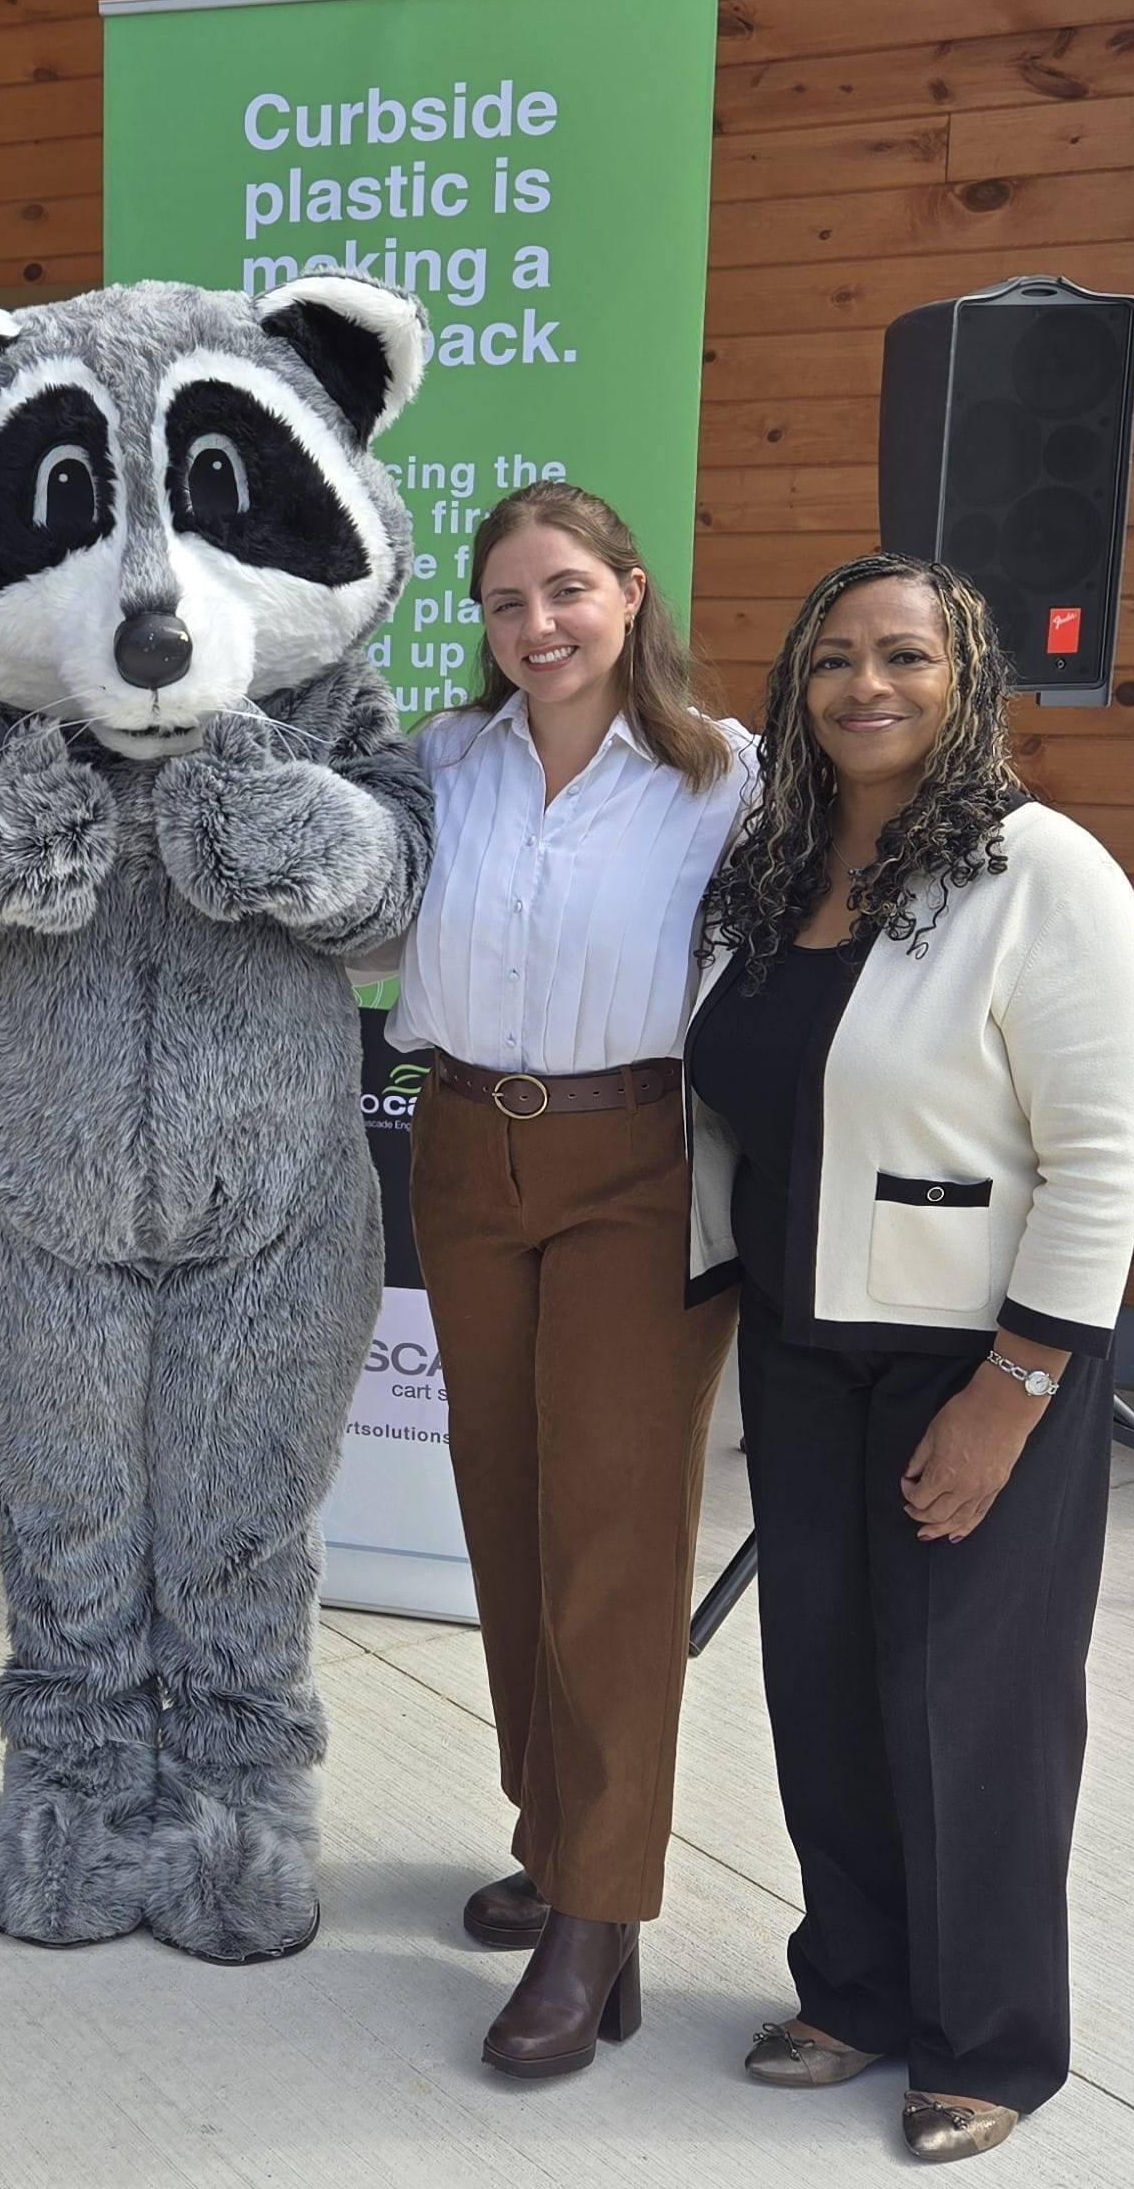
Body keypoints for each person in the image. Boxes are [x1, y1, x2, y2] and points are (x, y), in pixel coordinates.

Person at [688, 554, 1134, 2163]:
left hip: (978, 1352)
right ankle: (861, 1987)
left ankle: (992, 2041)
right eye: (833, 659)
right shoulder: (772, 865)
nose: (865, 687)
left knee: (973, 1704)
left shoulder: (1047, 873)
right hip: (804, 1338)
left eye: (906, 656)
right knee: (821, 1684)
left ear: (970, 682)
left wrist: (1014, 1392)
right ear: (795, 689)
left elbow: (1102, 1161)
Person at [378, 482, 753, 2076]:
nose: (539, 625)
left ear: (630, 592)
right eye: (509, 599)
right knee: (510, 1510)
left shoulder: (722, 776)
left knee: (611, 1534)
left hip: (638, 1163)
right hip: (466, 1146)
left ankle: (603, 1915)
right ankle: (555, 1845)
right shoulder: (437, 765)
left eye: (568, 590)